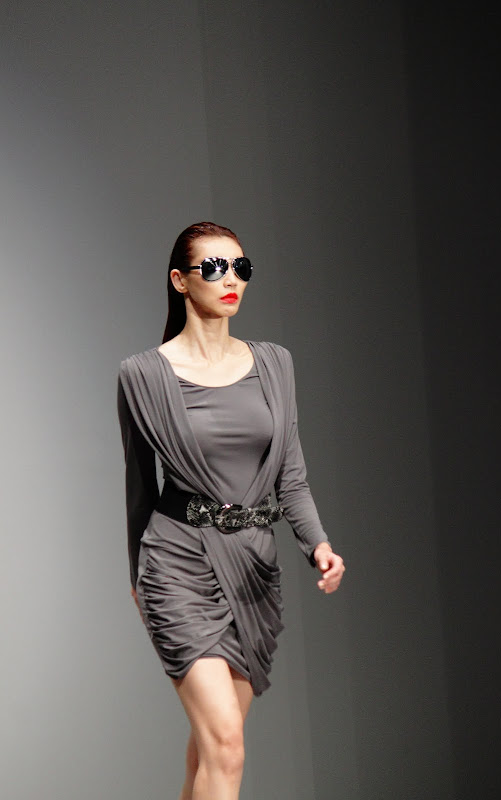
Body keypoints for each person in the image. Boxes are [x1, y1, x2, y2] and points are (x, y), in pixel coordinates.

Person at [117, 221, 345, 800]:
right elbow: (140, 488)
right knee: (226, 745)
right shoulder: (143, 375)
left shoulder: (274, 364)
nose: (231, 280)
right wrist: (138, 579)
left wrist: (318, 544)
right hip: (177, 566)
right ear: (180, 281)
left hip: (251, 569)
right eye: (214, 267)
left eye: (240, 268)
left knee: (210, 749)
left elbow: (290, 474)